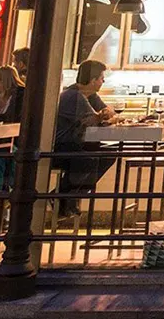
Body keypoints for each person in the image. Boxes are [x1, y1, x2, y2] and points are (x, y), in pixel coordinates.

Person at [52, 60, 118, 216]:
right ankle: (63, 195)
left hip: (76, 144)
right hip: (61, 146)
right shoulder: (73, 96)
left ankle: (69, 196)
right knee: (89, 159)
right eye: (102, 78)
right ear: (93, 80)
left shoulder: (90, 96)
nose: (103, 81)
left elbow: (107, 113)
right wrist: (105, 117)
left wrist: (106, 115)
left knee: (109, 154)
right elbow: (95, 120)